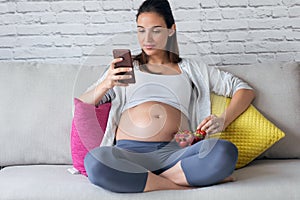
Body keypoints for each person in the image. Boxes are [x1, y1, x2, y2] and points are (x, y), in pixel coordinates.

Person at [79, 0, 255, 193]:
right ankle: (178, 184)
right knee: (95, 161)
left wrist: (223, 121)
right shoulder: (127, 68)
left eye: (156, 30)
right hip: (127, 153)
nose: (147, 38)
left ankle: (144, 179)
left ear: (171, 30)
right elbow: (82, 105)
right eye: (141, 30)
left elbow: (244, 90)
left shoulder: (191, 69)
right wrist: (107, 84)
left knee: (224, 152)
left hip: (176, 154)